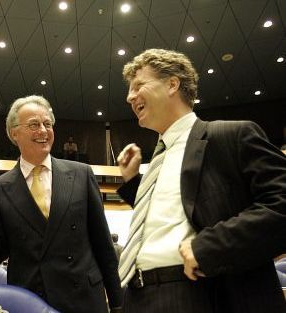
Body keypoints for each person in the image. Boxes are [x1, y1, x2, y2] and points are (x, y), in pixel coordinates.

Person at [116, 48, 286, 312]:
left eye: (139, 85)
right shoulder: (156, 159)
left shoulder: (231, 136)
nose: (129, 97)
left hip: (198, 293)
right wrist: (131, 182)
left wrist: (211, 246)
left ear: (172, 84)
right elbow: (178, 212)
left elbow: (281, 205)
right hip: (137, 297)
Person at [0, 95, 122, 313]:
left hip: (83, 299)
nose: (43, 131)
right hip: (30, 300)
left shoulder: (81, 174)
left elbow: (103, 245)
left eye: (47, 124)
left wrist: (117, 303)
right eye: (34, 125)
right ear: (14, 133)